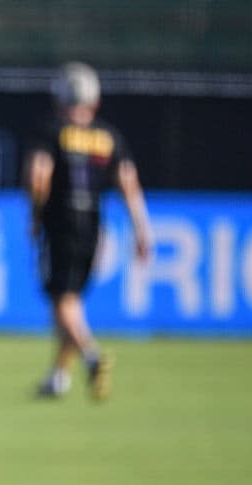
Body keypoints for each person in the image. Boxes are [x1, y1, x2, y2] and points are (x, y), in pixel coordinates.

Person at [25, 62, 151, 399]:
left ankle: (92, 356)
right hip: (94, 225)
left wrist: (36, 215)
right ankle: (58, 376)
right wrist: (142, 229)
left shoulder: (52, 130)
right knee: (72, 301)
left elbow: (39, 175)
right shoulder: (108, 135)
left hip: (60, 222)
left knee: (61, 301)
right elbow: (129, 183)